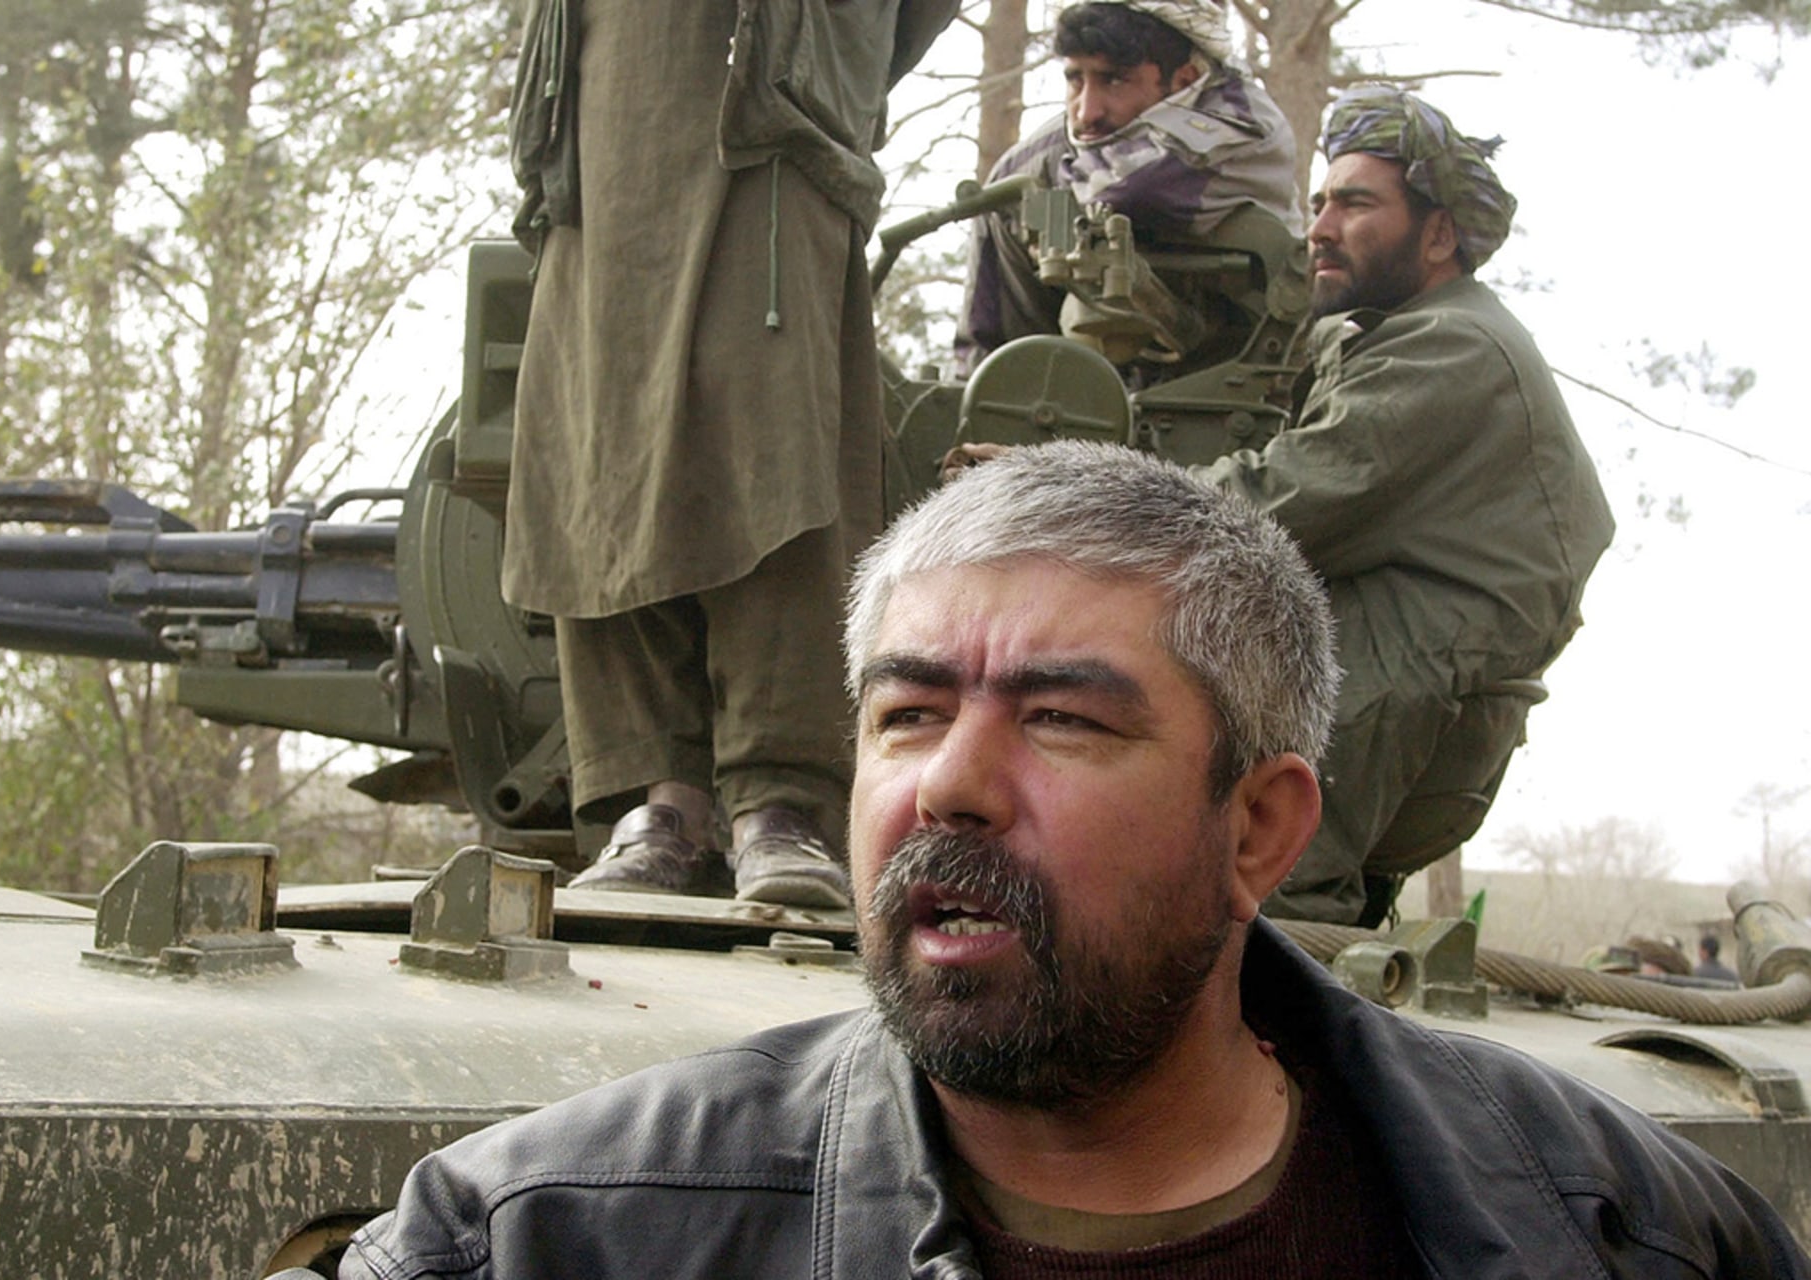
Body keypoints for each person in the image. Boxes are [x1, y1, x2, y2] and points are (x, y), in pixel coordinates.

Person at [339, 442, 1805, 1279]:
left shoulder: (1615, 1232)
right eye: (907, 717)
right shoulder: (548, 1245)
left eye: (1061, 720)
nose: (951, 791)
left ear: (1259, 828)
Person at [499, 0, 958, 908]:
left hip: (772, 117)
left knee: (774, 454)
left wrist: (833, 64)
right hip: (600, 121)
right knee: (599, 460)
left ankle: (781, 802)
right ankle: (655, 799)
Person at [1200, 85, 1615, 925]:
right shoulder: (1413, 333)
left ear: (1438, 233)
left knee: (1273, 928)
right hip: (1387, 694)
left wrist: (1083, 493)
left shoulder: (1451, 343)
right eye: (1320, 202)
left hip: (1388, 692)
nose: (1319, 227)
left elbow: (1285, 498)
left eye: (1355, 203)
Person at [955, 0, 1302, 372]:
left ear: (1184, 80)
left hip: (1258, 374)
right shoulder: (1031, 167)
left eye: (1114, 80)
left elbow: (1133, 190)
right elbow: (986, 342)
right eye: (1075, 79)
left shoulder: (1244, 122)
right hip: (1086, 392)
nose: (1087, 111)